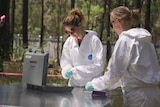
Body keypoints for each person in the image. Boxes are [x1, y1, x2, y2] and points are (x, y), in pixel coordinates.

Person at [85, 6, 160, 107]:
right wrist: (106, 85)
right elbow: (128, 74)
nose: (113, 28)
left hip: (137, 98)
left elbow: (114, 73)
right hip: (154, 94)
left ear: (118, 21)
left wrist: (94, 84)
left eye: (112, 24)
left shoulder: (125, 40)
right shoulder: (146, 41)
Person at [60, 8, 105, 87]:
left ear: (80, 25)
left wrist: (77, 71)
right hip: (74, 85)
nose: (71, 34)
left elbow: (99, 65)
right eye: (67, 32)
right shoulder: (69, 42)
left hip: (91, 84)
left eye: (72, 30)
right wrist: (66, 69)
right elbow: (65, 60)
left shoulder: (94, 40)